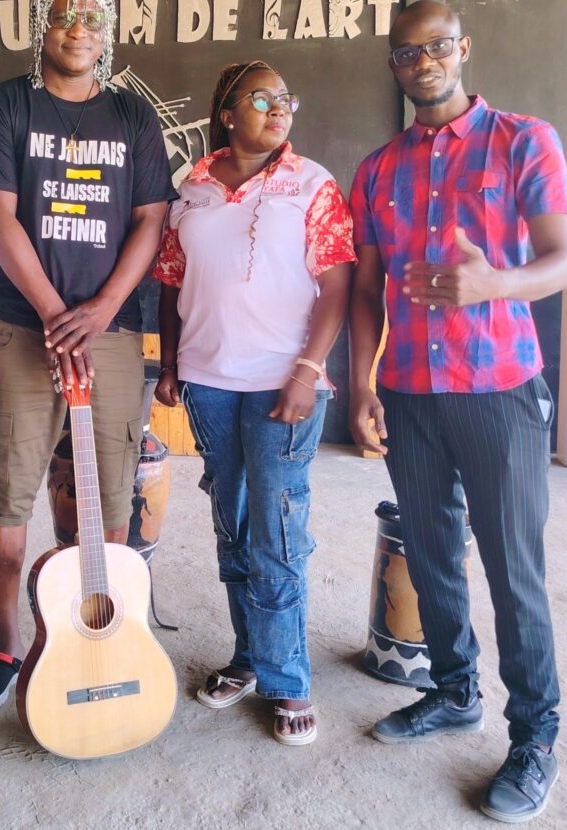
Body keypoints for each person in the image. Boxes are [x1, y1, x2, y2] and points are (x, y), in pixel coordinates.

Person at [349, 0, 567, 822]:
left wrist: (495, 284)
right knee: (432, 553)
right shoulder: (377, 170)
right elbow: (365, 290)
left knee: (515, 570)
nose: (423, 62)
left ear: (463, 49)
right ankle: (453, 692)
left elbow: (562, 260)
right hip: (410, 393)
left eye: (437, 47)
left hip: (500, 392)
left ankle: (537, 736)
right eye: (407, 53)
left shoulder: (524, 140)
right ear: (394, 65)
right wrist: (362, 384)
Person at [0, 0, 175, 710]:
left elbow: (151, 221)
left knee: (110, 494)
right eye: (62, 16)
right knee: (10, 489)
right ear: (40, 28)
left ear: (107, 34)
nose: (78, 28)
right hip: (25, 325)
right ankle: (5, 640)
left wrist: (102, 308)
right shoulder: (4, 105)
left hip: (112, 332)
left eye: (91, 18)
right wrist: (56, 314)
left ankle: (97, 635)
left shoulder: (133, 116)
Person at [153, 61, 355, 745]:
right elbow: (170, 281)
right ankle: (249, 656)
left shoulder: (312, 184)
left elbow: (336, 285)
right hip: (209, 382)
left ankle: (288, 678)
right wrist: (171, 364)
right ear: (227, 113)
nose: (278, 109)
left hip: (283, 382)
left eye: (284, 99)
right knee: (233, 525)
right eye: (261, 99)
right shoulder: (192, 188)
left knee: (278, 531)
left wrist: (308, 369)